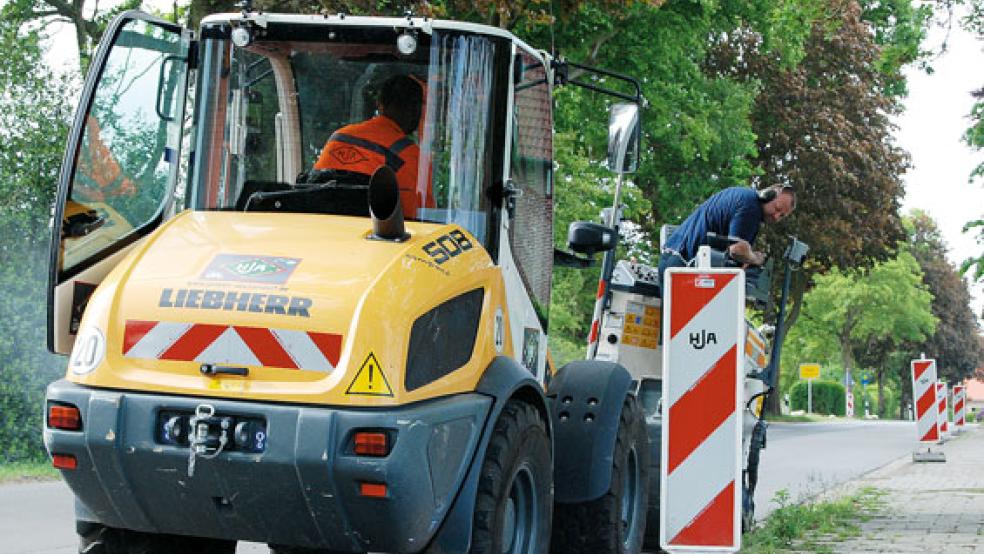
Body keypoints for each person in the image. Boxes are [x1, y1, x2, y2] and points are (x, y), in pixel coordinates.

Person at [313, 74, 433, 218]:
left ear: (380, 104)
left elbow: (313, 189)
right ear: (417, 110)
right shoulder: (412, 155)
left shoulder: (339, 137)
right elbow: (419, 219)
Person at [658, 184, 796, 281]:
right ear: (767, 196)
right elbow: (737, 250)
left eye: (782, 216)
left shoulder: (742, 196)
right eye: (777, 208)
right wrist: (755, 258)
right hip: (681, 266)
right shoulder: (751, 208)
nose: (776, 216)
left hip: (673, 260)